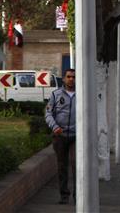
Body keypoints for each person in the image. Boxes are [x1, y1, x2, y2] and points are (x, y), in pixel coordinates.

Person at [45, 68, 76, 205]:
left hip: (76, 136)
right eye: (69, 77)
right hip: (60, 136)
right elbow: (48, 113)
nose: (71, 79)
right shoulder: (56, 94)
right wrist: (55, 127)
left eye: (74, 77)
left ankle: (78, 195)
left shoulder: (82, 94)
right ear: (64, 78)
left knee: (77, 166)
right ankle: (64, 195)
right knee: (62, 167)